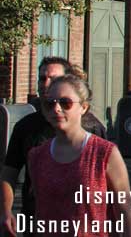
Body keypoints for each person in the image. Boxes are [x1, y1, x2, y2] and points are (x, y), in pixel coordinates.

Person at [1, 57, 107, 232]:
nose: (46, 84)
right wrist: (5, 211)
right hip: (37, 220)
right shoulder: (25, 127)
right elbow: (9, 174)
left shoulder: (92, 127)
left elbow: (110, 184)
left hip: (80, 223)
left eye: (53, 78)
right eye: (42, 78)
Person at [27, 75, 131, 237]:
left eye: (66, 103)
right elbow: (40, 214)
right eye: (50, 103)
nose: (57, 109)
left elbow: (125, 209)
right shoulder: (37, 156)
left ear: (83, 107)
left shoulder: (104, 152)